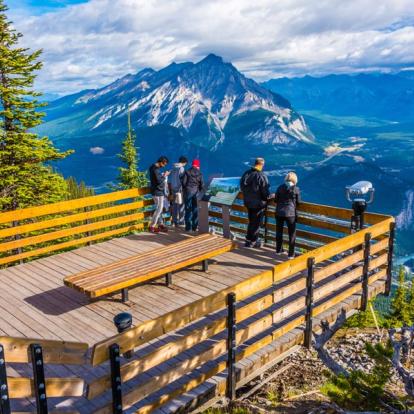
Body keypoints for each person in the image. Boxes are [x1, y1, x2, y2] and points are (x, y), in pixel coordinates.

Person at [240, 157, 270, 248]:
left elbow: (242, 186)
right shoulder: (261, 176)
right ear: (262, 165)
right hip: (258, 204)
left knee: (251, 221)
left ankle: (248, 240)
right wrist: (270, 196)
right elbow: (265, 192)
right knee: (256, 223)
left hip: (248, 202)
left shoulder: (246, 174)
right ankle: (253, 241)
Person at [274, 172, 301, 259]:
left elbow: (276, 200)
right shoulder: (296, 189)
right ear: (295, 179)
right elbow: (299, 202)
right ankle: (291, 254)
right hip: (290, 213)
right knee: (292, 234)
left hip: (279, 212)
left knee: (279, 231)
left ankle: (278, 250)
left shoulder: (280, 187)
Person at [149, 156, 170, 233]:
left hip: (156, 191)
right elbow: (159, 181)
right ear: (161, 162)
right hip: (157, 192)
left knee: (159, 209)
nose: (164, 166)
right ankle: (152, 226)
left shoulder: (152, 167)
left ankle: (160, 223)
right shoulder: (156, 170)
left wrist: (162, 175)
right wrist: (165, 175)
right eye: (164, 164)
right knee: (159, 209)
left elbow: (156, 179)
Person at [182, 159, 204, 232]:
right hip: (196, 193)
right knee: (195, 210)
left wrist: (186, 189)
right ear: (198, 166)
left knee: (188, 210)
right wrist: (199, 190)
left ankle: (188, 227)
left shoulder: (187, 172)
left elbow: (184, 183)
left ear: (192, 165)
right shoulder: (200, 173)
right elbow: (202, 185)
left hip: (188, 192)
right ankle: (194, 227)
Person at [169, 156, 188, 226]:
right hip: (179, 190)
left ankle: (174, 221)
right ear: (184, 162)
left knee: (174, 205)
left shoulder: (173, 167)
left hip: (173, 189)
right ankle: (181, 222)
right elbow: (183, 180)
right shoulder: (181, 168)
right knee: (181, 205)